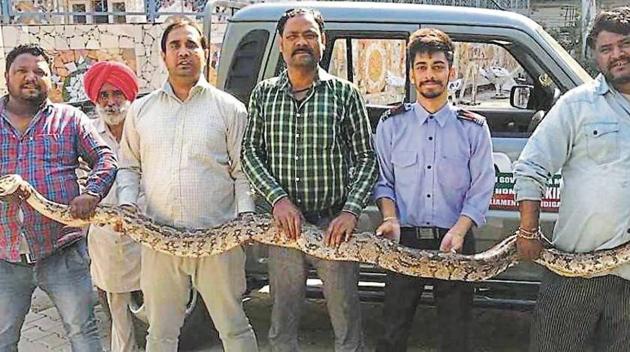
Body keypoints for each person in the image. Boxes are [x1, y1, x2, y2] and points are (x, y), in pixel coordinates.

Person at [116, 18, 258, 352]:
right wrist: (127, 207)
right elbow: (128, 167)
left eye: (192, 45)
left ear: (205, 54)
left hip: (218, 240)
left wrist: (245, 223)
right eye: (175, 46)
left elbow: (243, 173)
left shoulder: (231, 110)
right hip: (159, 240)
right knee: (161, 334)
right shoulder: (141, 111)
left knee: (234, 328)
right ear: (164, 56)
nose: (183, 53)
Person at [241, 8, 378, 352]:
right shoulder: (264, 94)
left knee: (345, 316)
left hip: (334, 225)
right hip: (284, 228)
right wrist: (278, 199)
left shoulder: (345, 94)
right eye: (293, 36)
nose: (301, 42)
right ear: (281, 45)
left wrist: (350, 212)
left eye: (309, 35)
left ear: (322, 41)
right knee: (282, 318)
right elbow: (250, 153)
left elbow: (366, 158)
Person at [514, 7, 630, 352]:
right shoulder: (576, 105)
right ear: (595, 55)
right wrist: (528, 231)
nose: (617, 55)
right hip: (575, 272)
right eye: (606, 49)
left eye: (624, 45)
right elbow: (531, 166)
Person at [373, 28, 495, 352]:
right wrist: (390, 218)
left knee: (456, 335)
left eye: (438, 66)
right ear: (411, 74)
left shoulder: (473, 128)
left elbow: (482, 186)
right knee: (392, 332)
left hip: (454, 240)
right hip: (404, 241)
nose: (430, 74)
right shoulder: (390, 125)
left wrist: (460, 230)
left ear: (451, 73)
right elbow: (383, 180)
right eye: (422, 66)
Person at [0, 44, 117, 352]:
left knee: (83, 333)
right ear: (7, 76)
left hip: (62, 253)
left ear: (51, 79)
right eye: (21, 71)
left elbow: (105, 158)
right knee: (3, 338)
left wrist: (92, 193)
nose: (31, 78)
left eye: (39, 72)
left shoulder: (70, 118)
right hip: (5, 257)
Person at [82, 61, 141, 352]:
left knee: (158, 309)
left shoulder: (143, 129)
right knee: (117, 312)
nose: (110, 101)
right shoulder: (87, 134)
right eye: (103, 95)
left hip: (146, 233)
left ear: (128, 95)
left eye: (116, 93)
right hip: (106, 238)